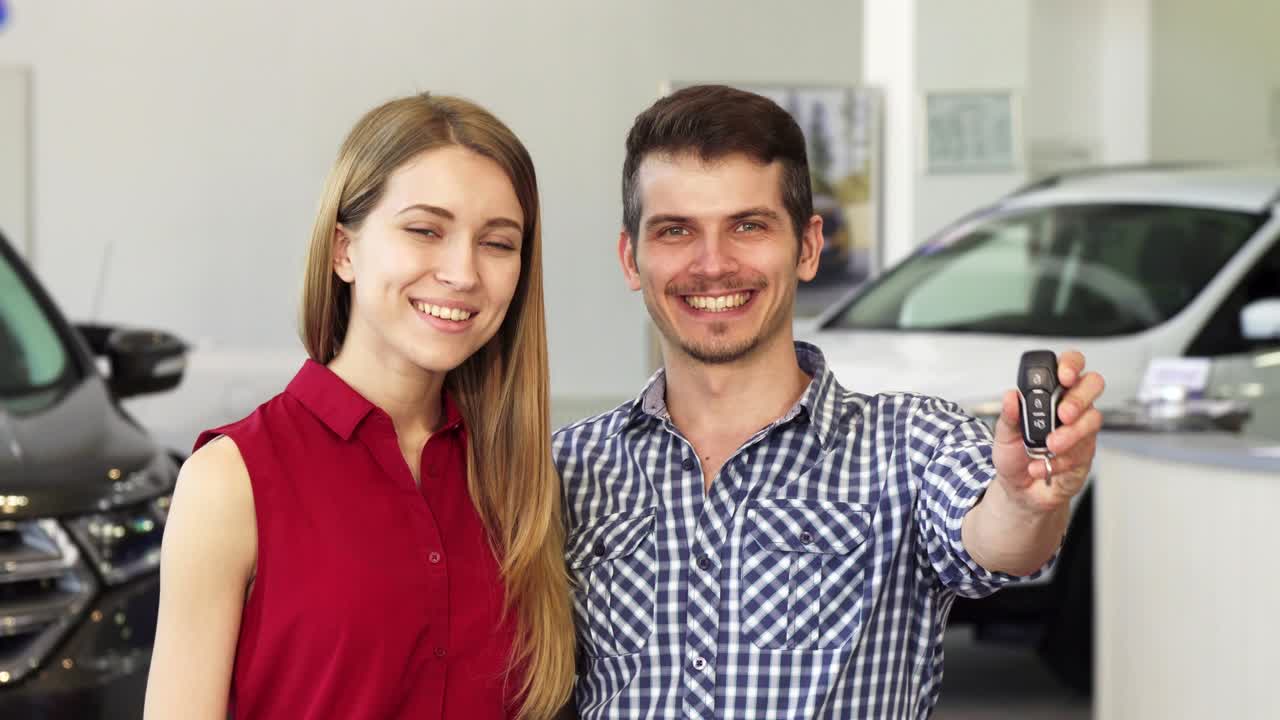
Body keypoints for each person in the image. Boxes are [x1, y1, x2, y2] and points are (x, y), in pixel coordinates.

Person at [553, 84, 1106, 719]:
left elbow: (996, 544)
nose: (713, 264)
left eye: (748, 226)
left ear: (809, 247)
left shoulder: (911, 444)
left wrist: (1025, 501)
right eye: (676, 231)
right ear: (632, 257)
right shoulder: (566, 467)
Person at [144, 93, 574, 720]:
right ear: (344, 250)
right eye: (426, 229)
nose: (463, 272)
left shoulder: (523, 479)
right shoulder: (230, 479)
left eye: (497, 243)